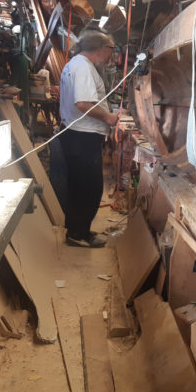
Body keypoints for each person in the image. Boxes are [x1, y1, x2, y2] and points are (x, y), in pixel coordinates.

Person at [58, 29, 119, 248]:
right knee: (89, 189)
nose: (111, 58)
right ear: (102, 50)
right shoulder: (83, 67)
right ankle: (77, 234)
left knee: (80, 187)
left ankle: (80, 230)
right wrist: (108, 117)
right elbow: (83, 103)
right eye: (111, 52)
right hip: (82, 137)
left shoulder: (75, 64)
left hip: (77, 134)